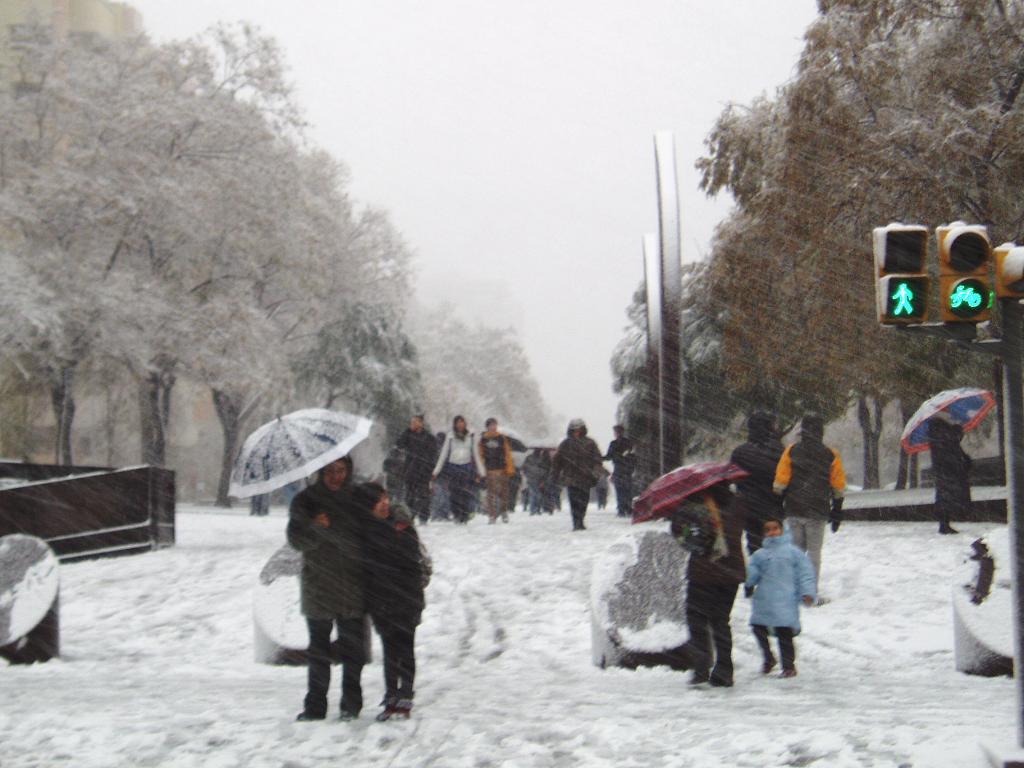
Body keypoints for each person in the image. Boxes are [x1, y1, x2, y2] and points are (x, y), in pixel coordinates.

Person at [287, 456, 367, 721]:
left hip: (352, 585)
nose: (336, 476)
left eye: (341, 470)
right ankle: (315, 706)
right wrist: (315, 527)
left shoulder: (358, 499)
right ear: (321, 472)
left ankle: (351, 705)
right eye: (330, 471)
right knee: (319, 651)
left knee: (352, 650)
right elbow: (296, 540)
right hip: (318, 585)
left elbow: (373, 534)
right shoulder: (305, 501)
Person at [353, 482, 430, 721]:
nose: (384, 503)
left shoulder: (402, 526)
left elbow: (411, 561)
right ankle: (390, 694)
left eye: (385, 497)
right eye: (378, 500)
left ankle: (405, 693)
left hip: (406, 598)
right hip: (382, 601)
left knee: (405, 647)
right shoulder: (364, 531)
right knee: (389, 650)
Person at [679, 482, 746, 687]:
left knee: (697, 618)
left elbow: (683, 534)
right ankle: (725, 670)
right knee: (721, 621)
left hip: (703, 572)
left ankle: (701, 666)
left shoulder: (695, 505)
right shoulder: (738, 504)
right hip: (731, 572)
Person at [773, 413, 846, 596]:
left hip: (794, 508)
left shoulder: (791, 451)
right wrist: (837, 510)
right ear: (821, 432)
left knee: (796, 551)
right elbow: (838, 486)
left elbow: (780, 483)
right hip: (818, 509)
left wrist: (779, 505)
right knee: (814, 553)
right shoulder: (830, 454)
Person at [744, 517, 817, 678]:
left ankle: (788, 666)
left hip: (786, 599)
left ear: (783, 530)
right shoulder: (759, 555)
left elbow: (805, 574)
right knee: (758, 628)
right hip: (764, 599)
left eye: (775, 528)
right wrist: (747, 576)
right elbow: (752, 576)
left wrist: (808, 592)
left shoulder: (793, 553)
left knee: (784, 633)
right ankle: (768, 657)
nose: (772, 533)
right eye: (768, 530)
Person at [730, 411, 785, 554]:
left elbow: (733, 478)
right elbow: (786, 478)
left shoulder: (740, 452)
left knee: (754, 545)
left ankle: (758, 570)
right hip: (774, 505)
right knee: (775, 545)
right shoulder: (779, 450)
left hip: (750, 507)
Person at [432, 415, 485, 524]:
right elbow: (444, 454)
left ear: (465, 424)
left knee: (465, 492)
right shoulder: (450, 437)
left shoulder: (470, 436)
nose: (460, 424)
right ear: (455, 424)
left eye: (462, 422)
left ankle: (464, 514)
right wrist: (436, 471)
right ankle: (456, 513)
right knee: (454, 492)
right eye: (458, 422)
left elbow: (475, 454)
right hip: (453, 467)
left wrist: (481, 471)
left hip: (466, 467)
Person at [552, 418, 603, 531]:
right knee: (574, 501)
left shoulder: (590, 443)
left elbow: (597, 460)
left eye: (579, 429)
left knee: (584, 501)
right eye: (574, 430)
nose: (577, 432)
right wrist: (554, 475)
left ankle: (581, 520)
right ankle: (576, 522)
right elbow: (557, 461)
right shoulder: (565, 444)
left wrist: (595, 473)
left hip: (586, 477)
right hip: (571, 478)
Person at [929, 416, 971, 534]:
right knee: (946, 498)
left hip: (945, 474)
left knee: (944, 498)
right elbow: (953, 457)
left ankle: (944, 524)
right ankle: (944, 524)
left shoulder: (938, 437)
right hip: (948, 474)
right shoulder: (945, 438)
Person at [396, 414, 438, 525]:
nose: (413, 424)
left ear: (421, 423)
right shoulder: (408, 435)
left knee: (424, 495)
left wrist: (431, 469)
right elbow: (399, 444)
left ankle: (424, 518)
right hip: (410, 470)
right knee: (409, 495)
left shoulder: (429, 437)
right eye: (411, 422)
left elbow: (434, 454)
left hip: (424, 471)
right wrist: (407, 431)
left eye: (415, 422)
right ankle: (411, 515)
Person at [479, 418, 515, 524]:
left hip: (502, 469)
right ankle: (492, 515)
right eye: (491, 425)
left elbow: (507, 453)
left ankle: (504, 511)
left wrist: (509, 468)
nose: (493, 427)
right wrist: (481, 469)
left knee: (504, 493)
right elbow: (480, 454)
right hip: (489, 470)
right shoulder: (483, 440)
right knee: (491, 494)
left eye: (495, 425)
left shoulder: (501, 438)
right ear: (487, 427)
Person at [604, 425, 636, 517]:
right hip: (626, 469)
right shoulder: (629, 443)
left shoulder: (614, 444)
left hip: (619, 469)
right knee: (627, 489)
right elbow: (632, 456)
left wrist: (601, 458)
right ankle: (628, 508)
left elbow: (609, 456)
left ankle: (622, 509)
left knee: (620, 489)